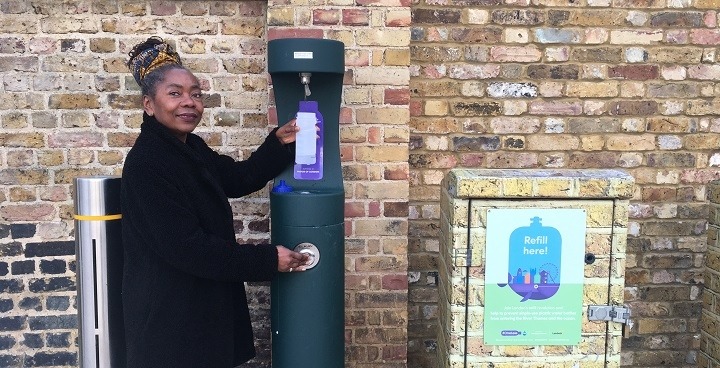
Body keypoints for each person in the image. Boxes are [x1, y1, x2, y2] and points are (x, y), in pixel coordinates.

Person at [120, 36, 309, 367]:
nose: (189, 102)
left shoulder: (189, 149)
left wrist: (278, 143)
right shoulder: (146, 164)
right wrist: (267, 260)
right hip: (171, 321)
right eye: (175, 93)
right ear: (149, 105)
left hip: (200, 309)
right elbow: (188, 248)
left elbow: (237, 178)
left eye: (195, 94)